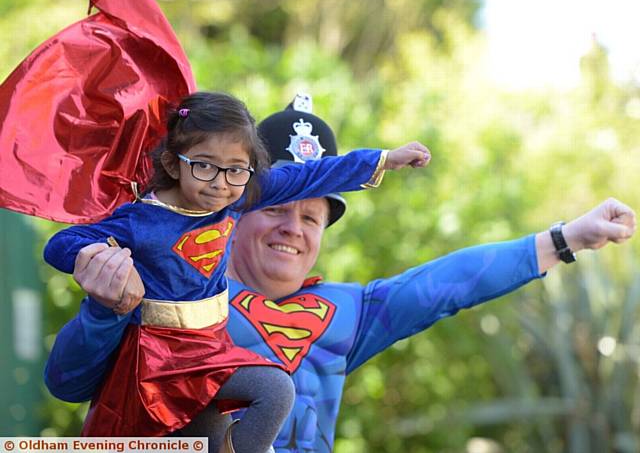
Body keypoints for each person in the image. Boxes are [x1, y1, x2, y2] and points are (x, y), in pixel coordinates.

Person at [44, 96, 637, 453]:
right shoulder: (172, 286)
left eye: (312, 216)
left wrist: (565, 238)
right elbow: (67, 382)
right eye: (276, 208)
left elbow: (447, 284)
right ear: (238, 206)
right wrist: (104, 309)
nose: (292, 229)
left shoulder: (350, 315)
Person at [43, 91, 430, 452]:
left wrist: (384, 159)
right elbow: (59, 246)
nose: (219, 183)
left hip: (209, 352)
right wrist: (104, 268)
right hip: (157, 360)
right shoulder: (140, 221)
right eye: (205, 166)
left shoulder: (240, 195)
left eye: (235, 170)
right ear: (171, 162)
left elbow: (312, 176)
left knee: (274, 391)